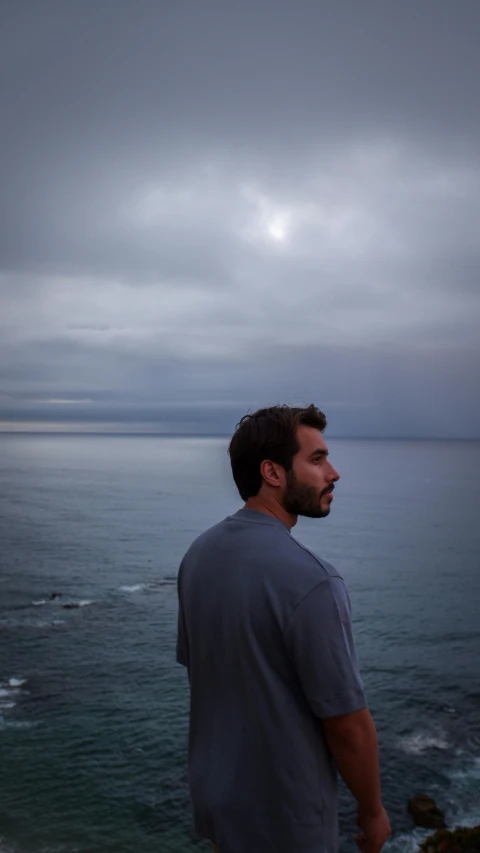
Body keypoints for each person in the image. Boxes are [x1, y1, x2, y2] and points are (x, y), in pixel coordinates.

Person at [176, 404, 391, 853]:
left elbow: (208, 671)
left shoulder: (198, 555)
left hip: (220, 808)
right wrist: (372, 811)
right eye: (316, 460)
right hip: (287, 823)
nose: (333, 473)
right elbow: (347, 724)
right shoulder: (314, 580)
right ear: (272, 472)